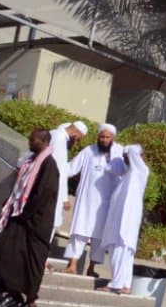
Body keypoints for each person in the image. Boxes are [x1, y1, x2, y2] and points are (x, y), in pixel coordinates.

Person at [0, 129, 59, 307]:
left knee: (33, 262)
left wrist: (25, 213)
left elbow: (44, 192)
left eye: (33, 139)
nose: (29, 141)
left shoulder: (49, 165)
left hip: (35, 221)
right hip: (20, 216)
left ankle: (30, 302)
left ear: (43, 141)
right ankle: (12, 293)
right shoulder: (31, 161)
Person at [63, 124, 126, 276]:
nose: (104, 140)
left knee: (99, 237)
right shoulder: (88, 151)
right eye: (101, 137)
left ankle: (91, 268)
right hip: (86, 199)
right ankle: (73, 265)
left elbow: (125, 174)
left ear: (113, 138)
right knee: (79, 231)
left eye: (107, 137)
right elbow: (71, 169)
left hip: (106, 203)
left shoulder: (120, 153)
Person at [100, 144, 148, 294]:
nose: (125, 159)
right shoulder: (128, 175)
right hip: (118, 221)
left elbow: (134, 151)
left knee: (121, 250)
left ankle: (116, 284)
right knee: (122, 252)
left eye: (127, 156)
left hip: (126, 222)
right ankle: (125, 285)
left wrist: (127, 149)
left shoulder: (140, 171)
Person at [47, 121, 88, 235]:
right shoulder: (60, 140)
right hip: (50, 192)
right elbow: (59, 173)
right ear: (75, 134)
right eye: (78, 139)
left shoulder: (54, 134)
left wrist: (64, 198)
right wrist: (62, 198)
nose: (76, 142)